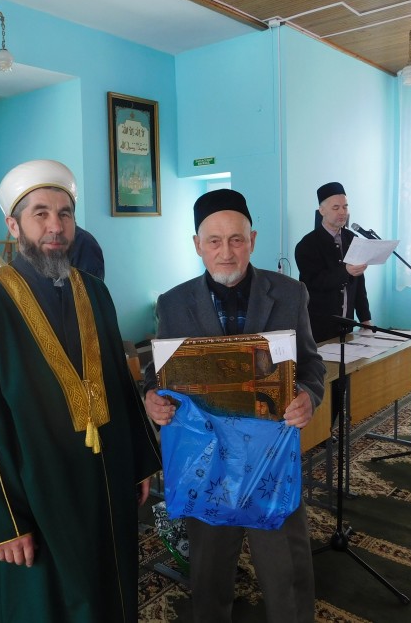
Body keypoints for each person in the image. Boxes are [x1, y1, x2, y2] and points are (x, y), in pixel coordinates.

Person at [0, 159, 161, 623]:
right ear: (14, 225)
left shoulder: (95, 291)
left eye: (64, 214)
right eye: (40, 213)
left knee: (108, 587)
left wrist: (139, 461)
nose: (55, 226)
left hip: (104, 475)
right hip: (36, 489)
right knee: (44, 602)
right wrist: (3, 519)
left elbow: (119, 383)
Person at [143, 188, 325, 623]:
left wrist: (308, 395)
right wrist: (152, 397)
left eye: (237, 240)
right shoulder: (174, 303)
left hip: (271, 458)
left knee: (286, 568)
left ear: (253, 240)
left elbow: (311, 363)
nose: (226, 253)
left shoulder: (289, 293)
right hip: (206, 462)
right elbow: (158, 374)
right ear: (197, 245)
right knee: (208, 569)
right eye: (214, 241)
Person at [294, 181, 372, 343]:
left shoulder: (352, 239)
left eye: (345, 207)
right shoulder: (307, 245)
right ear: (322, 210)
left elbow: (359, 284)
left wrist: (365, 319)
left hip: (347, 323)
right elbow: (314, 283)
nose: (342, 212)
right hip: (318, 326)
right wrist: (346, 271)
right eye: (336, 208)